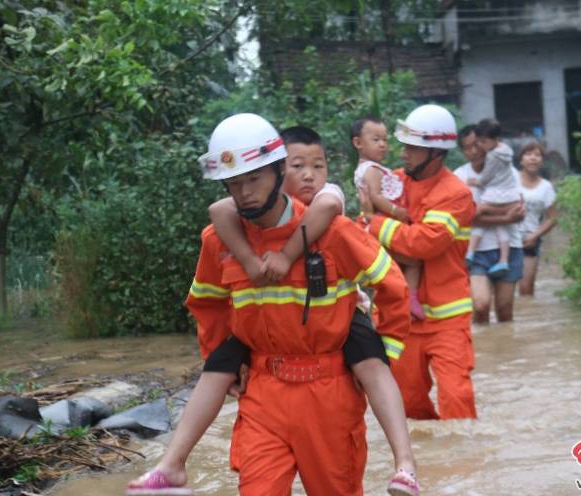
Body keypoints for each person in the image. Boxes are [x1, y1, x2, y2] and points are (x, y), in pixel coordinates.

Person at [127, 114, 413, 495]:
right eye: (234, 183)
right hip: (262, 391)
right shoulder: (219, 241)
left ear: (280, 171)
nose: (243, 192)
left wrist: (384, 353)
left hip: (330, 393)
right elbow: (207, 305)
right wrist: (225, 361)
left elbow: (393, 286)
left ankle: (405, 465)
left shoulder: (334, 232)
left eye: (254, 179)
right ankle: (171, 466)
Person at [359, 104, 477, 420]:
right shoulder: (394, 181)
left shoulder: (455, 193)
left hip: (447, 317)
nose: (404, 153)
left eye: (413, 148)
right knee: (408, 403)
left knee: (456, 398)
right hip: (400, 315)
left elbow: (425, 243)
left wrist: (377, 224)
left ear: (436, 153)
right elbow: (362, 223)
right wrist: (372, 223)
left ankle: (467, 464)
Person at [351, 116, 425, 321]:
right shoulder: (371, 170)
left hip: (379, 224)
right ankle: (410, 299)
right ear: (358, 143)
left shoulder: (372, 168)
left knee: (393, 269)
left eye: (385, 139)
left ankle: (399, 304)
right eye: (376, 140)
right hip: (382, 223)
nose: (383, 145)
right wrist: (397, 211)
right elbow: (375, 197)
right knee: (413, 262)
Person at [454, 126, 525, 324]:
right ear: (462, 151)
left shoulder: (508, 170)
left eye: (477, 144)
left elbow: (519, 211)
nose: (474, 151)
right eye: (468, 148)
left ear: (486, 143)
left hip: (510, 246)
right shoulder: (458, 177)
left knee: (504, 310)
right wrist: (505, 217)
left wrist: (484, 212)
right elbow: (464, 218)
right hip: (476, 252)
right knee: (481, 304)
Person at [464, 119, 521, 276]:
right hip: (510, 198)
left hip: (496, 196)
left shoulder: (492, 157)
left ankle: (470, 252)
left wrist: (474, 182)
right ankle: (502, 260)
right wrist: (506, 218)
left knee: (478, 213)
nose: (478, 149)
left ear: (494, 139)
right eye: (471, 146)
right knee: (500, 227)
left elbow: (485, 179)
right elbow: (516, 213)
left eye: (481, 143)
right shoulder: (507, 152)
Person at [516, 142, 557, 296]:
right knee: (500, 290)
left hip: (530, 240)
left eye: (537, 155)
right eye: (528, 154)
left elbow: (552, 218)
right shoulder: (510, 180)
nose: (533, 158)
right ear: (521, 160)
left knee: (526, 290)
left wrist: (535, 235)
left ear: (542, 161)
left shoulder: (546, 187)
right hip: (505, 239)